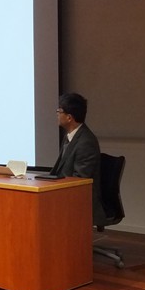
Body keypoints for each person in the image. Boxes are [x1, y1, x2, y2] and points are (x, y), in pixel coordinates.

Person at [50, 92, 107, 227]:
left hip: (81, 199)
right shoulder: (70, 136)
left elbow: (79, 181)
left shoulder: (86, 142)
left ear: (69, 117)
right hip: (65, 192)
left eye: (59, 111)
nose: (57, 114)